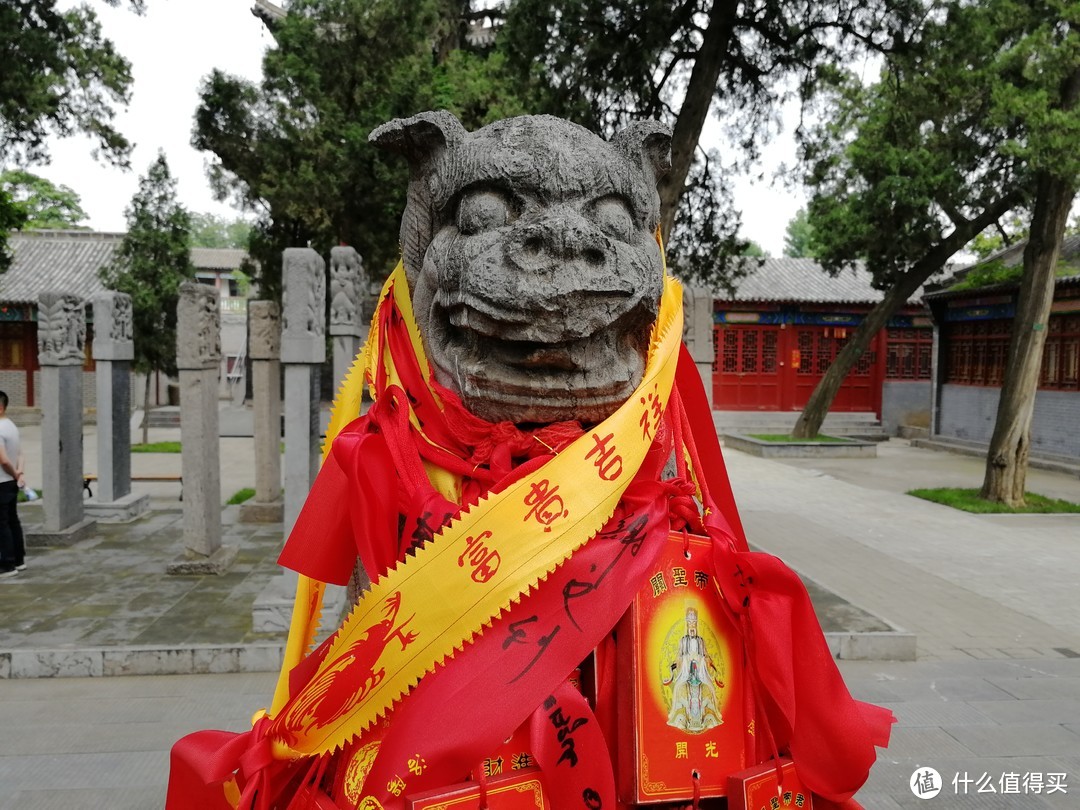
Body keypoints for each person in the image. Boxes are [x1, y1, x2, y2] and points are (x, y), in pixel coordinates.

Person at [663, 606, 724, 732]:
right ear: (687, 623)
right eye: (690, 622)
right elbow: (678, 656)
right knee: (679, 690)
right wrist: (683, 661)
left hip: (700, 672)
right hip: (686, 672)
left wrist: (704, 660)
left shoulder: (701, 641)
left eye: (694, 622)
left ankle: (708, 719)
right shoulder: (683, 641)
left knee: (710, 690)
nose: (692, 625)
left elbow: (706, 655)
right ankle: (682, 719)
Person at [0, 390, 26, 578]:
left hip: (2, 480)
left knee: (2, 524)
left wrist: (15, 473)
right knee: (12, 521)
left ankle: (7, 564)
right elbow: (20, 454)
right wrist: (20, 474)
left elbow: (4, 460)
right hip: (10, 482)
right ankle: (19, 559)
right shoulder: (11, 426)